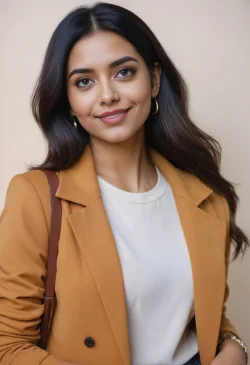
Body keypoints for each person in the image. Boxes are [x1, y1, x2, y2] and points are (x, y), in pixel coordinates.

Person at [0, 3, 249, 365]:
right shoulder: (36, 196)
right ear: (69, 101)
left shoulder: (204, 195)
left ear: (155, 79)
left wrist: (233, 348)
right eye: (84, 81)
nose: (107, 96)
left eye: (124, 72)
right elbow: (7, 345)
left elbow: (195, 316)